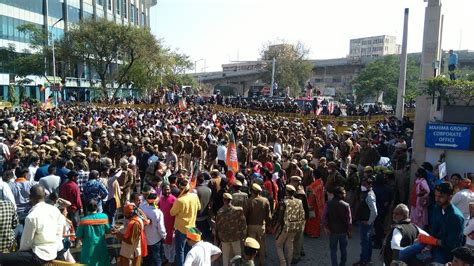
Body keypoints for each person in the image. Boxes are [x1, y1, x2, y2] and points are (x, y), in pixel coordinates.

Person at [399, 182, 465, 264]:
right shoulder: (437, 207)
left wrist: (432, 241)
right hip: (433, 245)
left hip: (445, 252)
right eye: (436, 196)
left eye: (440, 197)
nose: (437, 199)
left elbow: (452, 244)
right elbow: (434, 230)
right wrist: (429, 243)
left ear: (450, 197)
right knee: (401, 255)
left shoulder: (455, 217)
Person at [0, 185, 63, 266]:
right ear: (45, 195)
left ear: (30, 197)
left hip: (39, 255)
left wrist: (20, 253)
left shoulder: (31, 217)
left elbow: (26, 243)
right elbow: (59, 232)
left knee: (3, 258)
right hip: (55, 250)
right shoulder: (55, 210)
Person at [170, 178, 201, 266]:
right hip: (192, 227)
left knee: (180, 250)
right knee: (188, 249)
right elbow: (199, 207)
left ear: (180, 189)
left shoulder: (179, 200)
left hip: (181, 229)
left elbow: (172, 213)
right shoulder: (194, 196)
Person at [272, 184, 305, 266]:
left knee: (278, 245)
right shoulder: (299, 202)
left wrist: (275, 228)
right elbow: (302, 214)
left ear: (286, 192)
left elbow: (280, 218)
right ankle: (289, 263)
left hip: (285, 227)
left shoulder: (284, 202)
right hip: (294, 227)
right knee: (289, 245)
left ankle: (283, 263)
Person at [75, 199, 111, 266]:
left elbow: (78, 236)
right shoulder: (104, 217)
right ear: (97, 207)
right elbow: (108, 231)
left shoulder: (83, 221)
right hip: (101, 247)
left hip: (88, 249)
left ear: (87, 208)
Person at [323, 186, 352, 266]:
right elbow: (349, 220)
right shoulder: (346, 205)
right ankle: (342, 263)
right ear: (339, 194)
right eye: (344, 193)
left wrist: (326, 227)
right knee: (343, 249)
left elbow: (324, 217)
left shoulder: (328, 204)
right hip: (343, 231)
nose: (345, 194)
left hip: (333, 231)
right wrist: (349, 231)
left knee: (333, 250)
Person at [216, 192, 247, 266]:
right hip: (236, 237)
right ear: (231, 200)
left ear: (223, 200)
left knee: (225, 257)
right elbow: (243, 223)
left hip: (225, 238)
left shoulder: (220, 212)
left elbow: (218, 226)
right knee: (238, 255)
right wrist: (243, 234)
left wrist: (217, 237)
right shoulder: (239, 210)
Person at [353, 174, 377, 266]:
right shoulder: (366, 193)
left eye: (364, 184)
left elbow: (374, 211)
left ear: (369, 185)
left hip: (365, 222)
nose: (362, 185)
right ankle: (367, 260)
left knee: (365, 242)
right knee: (368, 242)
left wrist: (369, 221)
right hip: (365, 221)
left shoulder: (369, 196)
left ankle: (364, 261)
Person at [245, 183, 271, 266]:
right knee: (262, 245)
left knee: (251, 246)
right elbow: (268, 215)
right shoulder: (265, 200)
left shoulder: (248, 201)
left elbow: (245, 215)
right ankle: (262, 262)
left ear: (252, 191)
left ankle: (251, 262)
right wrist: (268, 224)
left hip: (251, 225)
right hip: (261, 226)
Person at [141, 192, 166, 266]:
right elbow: (161, 228)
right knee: (157, 259)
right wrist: (164, 236)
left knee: (147, 259)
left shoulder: (143, 209)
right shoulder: (158, 212)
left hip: (145, 239)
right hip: (156, 240)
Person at [160, 184, 177, 265]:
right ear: (162, 190)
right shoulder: (160, 199)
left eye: (168, 189)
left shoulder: (174, 199)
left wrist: (174, 226)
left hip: (172, 225)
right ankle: (167, 258)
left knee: (171, 245)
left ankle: (171, 260)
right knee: (165, 244)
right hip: (163, 226)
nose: (167, 191)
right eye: (165, 189)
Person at [304, 170, 325, 238]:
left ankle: (312, 232)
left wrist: (309, 204)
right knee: (317, 218)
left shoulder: (313, 185)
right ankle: (316, 232)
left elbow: (312, 195)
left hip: (313, 204)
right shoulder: (321, 181)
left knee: (312, 218)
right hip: (320, 203)